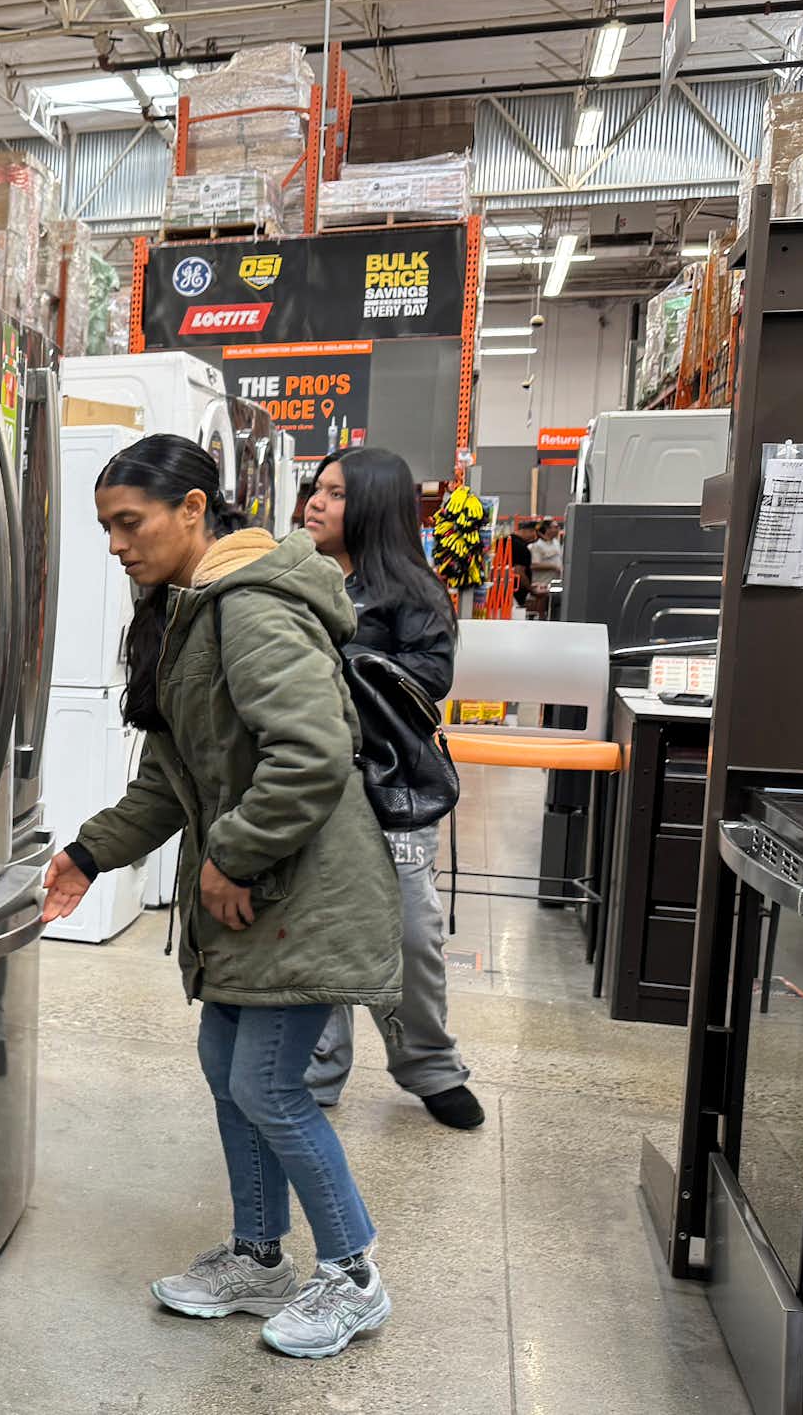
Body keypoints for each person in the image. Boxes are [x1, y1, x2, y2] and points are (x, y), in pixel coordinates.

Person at [42, 435, 404, 1360]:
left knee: (270, 1083)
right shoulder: (188, 610)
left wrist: (232, 858)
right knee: (225, 1062)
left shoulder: (249, 611)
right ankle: (258, 1254)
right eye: (107, 528)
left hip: (300, 891)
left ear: (194, 508)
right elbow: (174, 777)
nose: (118, 544)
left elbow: (312, 754)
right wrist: (89, 853)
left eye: (132, 522)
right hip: (258, 897)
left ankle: (353, 1272)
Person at [297, 448, 485, 1131]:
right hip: (312, 784)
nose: (316, 502)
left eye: (336, 493)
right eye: (316, 489)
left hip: (391, 786)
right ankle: (316, 1071)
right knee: (319, 930)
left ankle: (429, 1066)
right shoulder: (299, 576)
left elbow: (430, 678)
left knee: (410, 932)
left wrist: (339, 659)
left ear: (373, 504)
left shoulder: (410, 590)